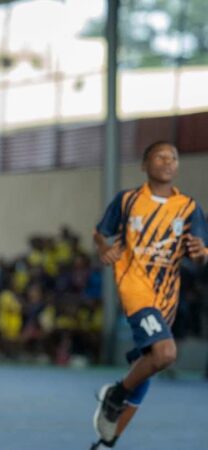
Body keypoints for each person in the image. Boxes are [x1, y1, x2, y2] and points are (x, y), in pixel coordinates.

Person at [91, 141, 208, 449]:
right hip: (134, 288)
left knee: (152, 363)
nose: (169, 161)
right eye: (161, 156)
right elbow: (100, 232)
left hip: (166, 296)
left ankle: (109, 436)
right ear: (145, 164)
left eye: (174, 157)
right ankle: (115, 395)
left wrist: (200, 253)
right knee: (166, 353)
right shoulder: (128, 201)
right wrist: (104, 248)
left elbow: (201, 252)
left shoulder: (189, 207)